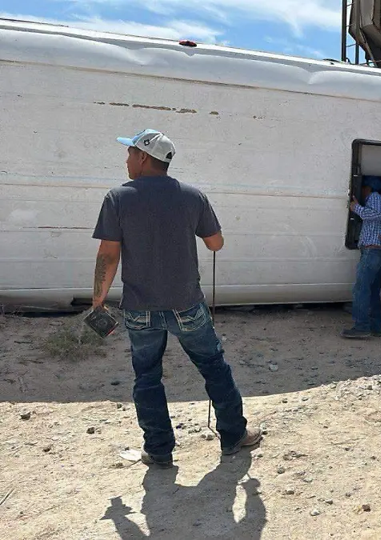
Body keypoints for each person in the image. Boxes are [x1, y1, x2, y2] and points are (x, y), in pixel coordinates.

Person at [91, 129, 260, 468]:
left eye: (129, 153)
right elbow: (216, 244)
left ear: (142, 157)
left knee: (147, 375)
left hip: (140, 309)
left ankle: (158, 449)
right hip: (186, 304)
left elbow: (108, 255)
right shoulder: (193, 196)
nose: (126, 160)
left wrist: (98, 302)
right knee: (213, 366)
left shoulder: (118, 198)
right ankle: (232, 436)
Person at [342, 177, 381, 339]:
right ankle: (376, 327)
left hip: (371, 252)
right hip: (378, 253)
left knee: (361, 290)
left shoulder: (374, 197)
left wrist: (356, 208)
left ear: (368, 188)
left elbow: (375, 215)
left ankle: (361, 326)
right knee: (373, 291)